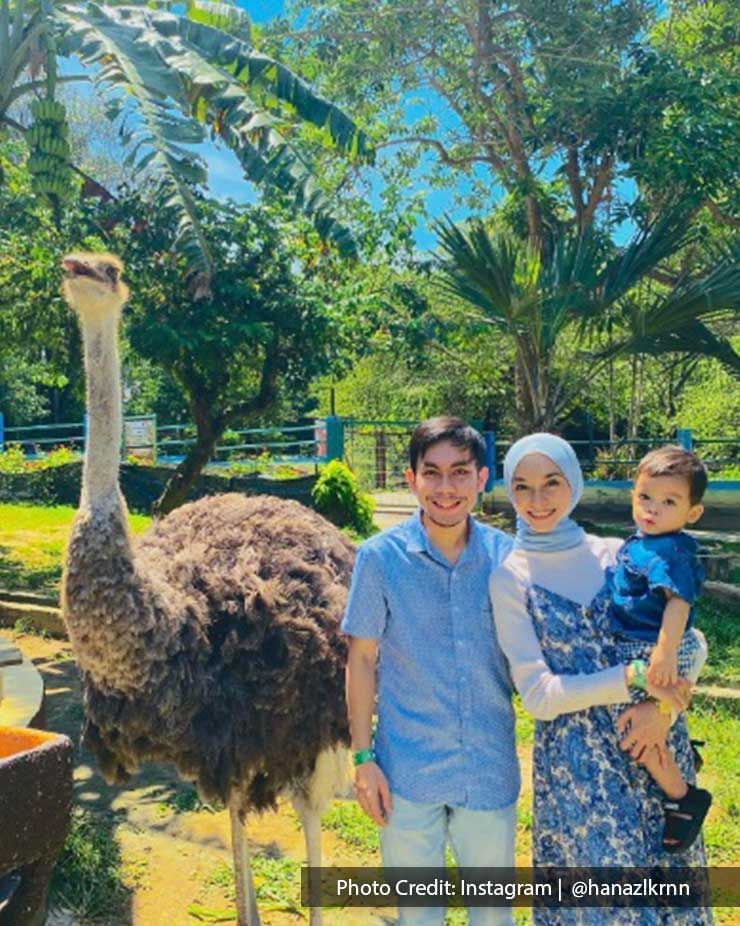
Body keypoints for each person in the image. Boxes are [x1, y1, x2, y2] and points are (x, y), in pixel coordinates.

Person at [490, 433, 711, 926]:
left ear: (575, 482)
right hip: (578, 770)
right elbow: (538, 696)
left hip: (648, 744)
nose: (538, 500)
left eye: (552, 483)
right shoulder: (510, 576)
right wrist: (632, 677)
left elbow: (694, 645)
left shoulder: (619, 554)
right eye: (522, 487)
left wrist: (663, 712)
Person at [342, 416, 516, 926]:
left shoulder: (507, 559)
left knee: (493, 917)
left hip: (488, 771)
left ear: (482, 478)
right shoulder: (378, 559)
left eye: (460, 472)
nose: (446, 488)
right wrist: (362, 758)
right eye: (432, 473)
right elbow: (361, 658)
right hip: (407, 774)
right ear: (411, 478)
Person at [607, 445, 712, 852]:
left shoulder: (670, 550)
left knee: (640, 731)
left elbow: (678, 602)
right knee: (641, 726)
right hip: (647, 645)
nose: (653, 509)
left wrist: (664, 655)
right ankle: (679, 760)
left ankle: (684, 796)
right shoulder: (642, 541)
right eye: (645, 497)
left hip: (661, 646)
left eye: (669, 502)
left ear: (692, 513)